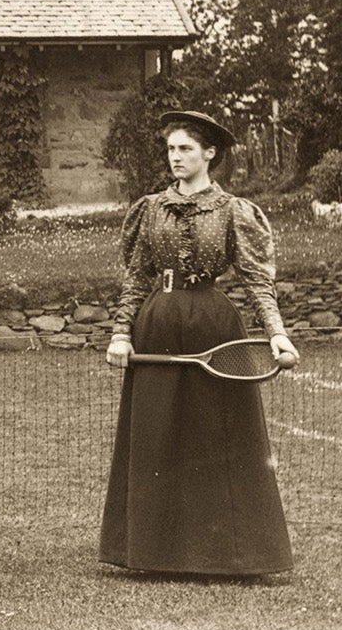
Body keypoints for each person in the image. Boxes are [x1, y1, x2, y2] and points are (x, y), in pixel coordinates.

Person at [100, 110, 299, 576]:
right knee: (155, 435)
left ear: (210, 154)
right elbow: (134, 278)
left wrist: (277, 333)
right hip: (158, 323)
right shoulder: (149, 209)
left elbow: (255, 280)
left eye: (186, 148)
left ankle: (225, 555)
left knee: (217, 437)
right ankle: (152, 553)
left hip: (213, 326)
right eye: (171, 149)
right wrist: (120, 331)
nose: (176, 157)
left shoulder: (234, 211)